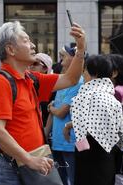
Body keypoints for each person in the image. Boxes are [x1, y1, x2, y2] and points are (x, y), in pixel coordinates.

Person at [0, 21, 86, 185]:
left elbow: (71, 79)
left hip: (34, 161)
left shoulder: (31, 78)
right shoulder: (0, 82)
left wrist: (80, 50)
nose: (32, 45)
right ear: (10, 49)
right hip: (9, 168)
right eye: (25, 41)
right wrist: (29, 159)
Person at [63, 55, 123, 185]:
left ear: (95, 73)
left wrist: (81, 150)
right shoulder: (113, 99)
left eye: (85, 70)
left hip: (89, 154)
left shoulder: (84, 96)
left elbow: (81, 133)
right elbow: (120, 134)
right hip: (109, 155)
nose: (83, 73)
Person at [45, 46, 84, 185]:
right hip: (57, 140)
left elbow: (61, 112)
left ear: (75, 58)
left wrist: (51, 108)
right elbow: (57, 107)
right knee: (61, 180)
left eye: (65, 54)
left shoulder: (78, 81)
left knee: (72, 179)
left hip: (70, 142)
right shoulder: (65, 79)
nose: (61, 57)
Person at [29, 53, 54, 127]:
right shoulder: (27, 83)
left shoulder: (53, 88)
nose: (31, 66)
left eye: (35, 63)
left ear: (45, 68)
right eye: (30, 63)